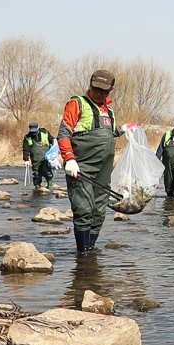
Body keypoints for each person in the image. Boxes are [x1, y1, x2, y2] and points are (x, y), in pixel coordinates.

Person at [58, 69, 136, 256]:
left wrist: (121, 129)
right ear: (90, 85)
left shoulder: (108, 110)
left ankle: (90, 250)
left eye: (104, 91)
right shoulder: (77, 104)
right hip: (81, 168)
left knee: (99, 211)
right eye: (96, 89)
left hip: (103, 171)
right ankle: (82, 255)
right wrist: (69, 159)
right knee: (84, 210)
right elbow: (63, 134)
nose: (99, 93)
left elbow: (107, 134)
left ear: (110, 91)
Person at [22, 121, 55, 190]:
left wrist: (55, 144)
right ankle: (37, 187)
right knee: (36, 173)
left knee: (47, 171)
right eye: (32, 131)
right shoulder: (27, 137)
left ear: (38, 128)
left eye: (34, 131)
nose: (33, 133)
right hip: (35, 159)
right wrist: (26, 160)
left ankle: (50, 186)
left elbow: (52, 141)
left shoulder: (45, 133)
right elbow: (26, 149)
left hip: (46, 158)